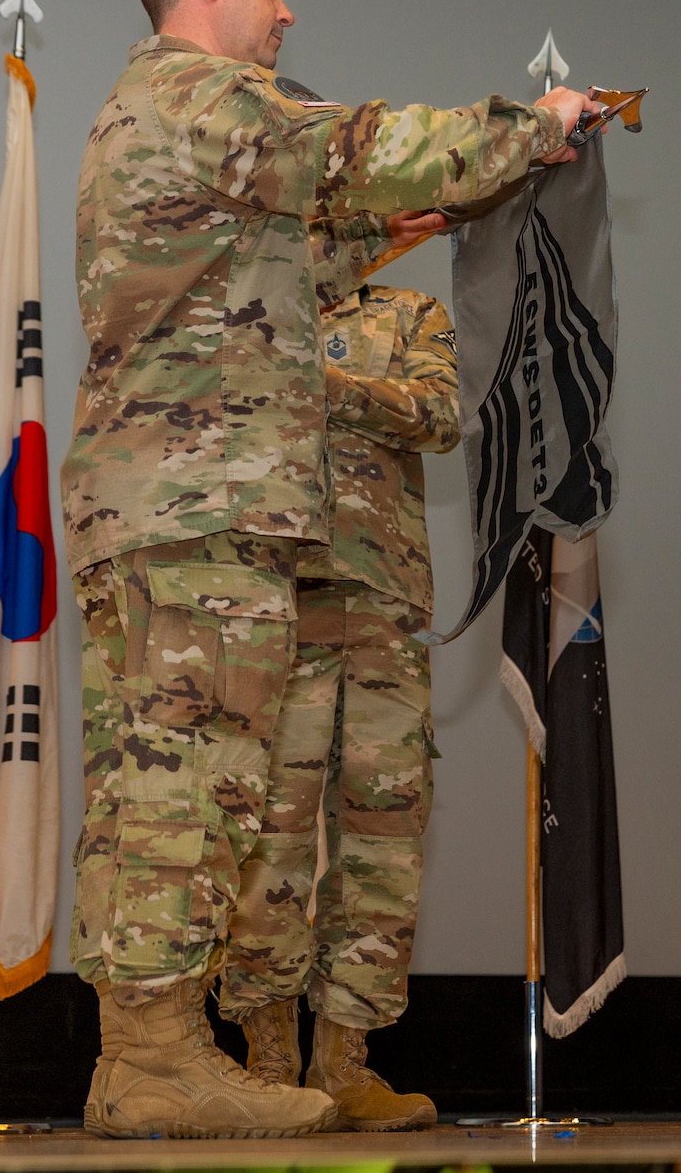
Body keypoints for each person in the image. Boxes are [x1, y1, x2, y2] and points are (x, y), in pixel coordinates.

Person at [61, 0, 596, 1140]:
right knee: (179, 787)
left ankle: (151, 1050)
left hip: (193, 505)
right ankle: (150, 1056)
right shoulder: (194, 95)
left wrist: (405, 226)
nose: (287, 6)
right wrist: (531, 126)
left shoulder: (174, 125)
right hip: (189, 505)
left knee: (191, 781)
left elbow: (276, 267)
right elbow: (357, 144)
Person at [218, 273, 459, 1131]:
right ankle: (269, 1059)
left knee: (384, 838)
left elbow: (439, 415)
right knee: (268, 838)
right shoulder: (251, 301)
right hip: (275, 599)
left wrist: (325, 384)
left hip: (384, 604)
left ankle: (347, 1060)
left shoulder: (409, 311)